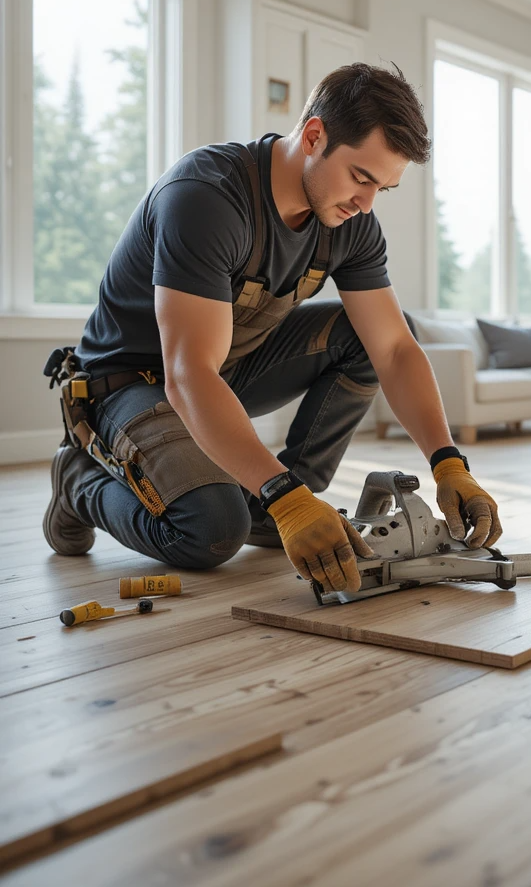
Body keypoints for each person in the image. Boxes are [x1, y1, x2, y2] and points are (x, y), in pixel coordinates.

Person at [43, 63, 501, 594]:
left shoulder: (349, 225)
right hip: (130, 384)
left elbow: (395, 350)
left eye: (384, 188)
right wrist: (285, 496)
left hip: (226, 372)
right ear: (313, 136)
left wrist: (449, 464)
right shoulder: (208, 196)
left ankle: (280, 497)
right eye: (361, 177)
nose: (365, 204)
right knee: (212, 530)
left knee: (363, 340)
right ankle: (76, 482)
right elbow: (188, 372)